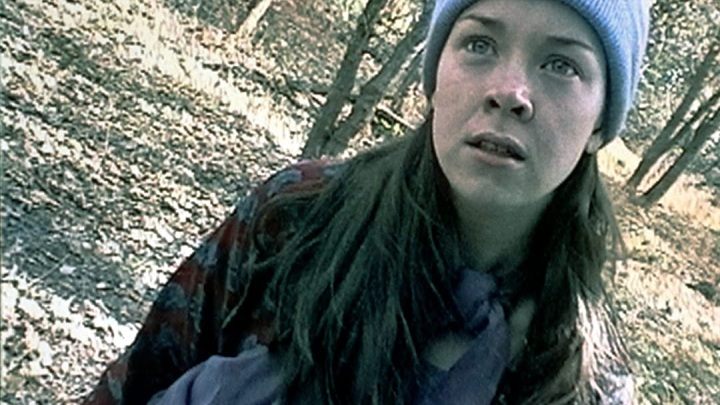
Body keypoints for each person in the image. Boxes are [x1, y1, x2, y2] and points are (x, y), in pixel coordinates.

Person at [83, 0, 650, 403]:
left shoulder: (583, 376)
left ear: (601, 123)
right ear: (435, 79)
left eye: (561, 65)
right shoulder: (297, 218)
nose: (510, 93)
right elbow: (136, 384)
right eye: (479, 44)